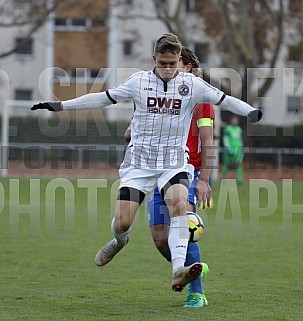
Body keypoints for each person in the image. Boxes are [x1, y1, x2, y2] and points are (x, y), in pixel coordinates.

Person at [31, 33, 262, 292]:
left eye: (172, 64)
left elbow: (225, 99)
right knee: (123, 222)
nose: (167, 69)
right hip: (138, 164)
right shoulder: (138, 82)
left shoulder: (192, 85)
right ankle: (119, 242)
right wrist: (61, 106)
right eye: (162, 63)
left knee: (178, 205)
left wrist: (250, 111)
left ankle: (178, 270)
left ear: (179, 61)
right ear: (154, 59)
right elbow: (103, 98)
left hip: (174, 162)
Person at [123, 47, 213, 307]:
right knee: (160, 238)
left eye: (177, 65)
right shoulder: (154, 95)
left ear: (187, 68)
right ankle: (188, 269)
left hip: (190, 170)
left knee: (183, 224)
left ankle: (196, 291)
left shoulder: (201, 99)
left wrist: (204, 178)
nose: (170, 71)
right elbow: (133, 129)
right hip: (159, 169)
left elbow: (207, 140)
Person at [221, 115, 244, 183]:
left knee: (238, 164)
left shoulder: (239, 129)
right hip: (229, 149)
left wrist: (241, 148)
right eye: (234, 120)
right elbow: (225, 139)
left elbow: (240, 140)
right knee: (227, 164)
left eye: (236, 120)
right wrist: (227, 147)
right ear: (231, 121)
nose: (235, 121)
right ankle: (223, 178)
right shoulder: (228, 128)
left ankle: (239, 179)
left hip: (237, 150)